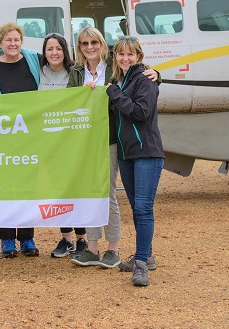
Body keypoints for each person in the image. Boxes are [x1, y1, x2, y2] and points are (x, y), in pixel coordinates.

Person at [69, 27, 158, 269]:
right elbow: (68, 102)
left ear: (102, 45)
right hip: (85, 141)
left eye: (94, 42)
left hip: (110, 138)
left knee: (109, 193)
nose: (90, 47)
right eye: (84, 43)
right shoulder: (76, 72)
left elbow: (139, 77)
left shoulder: (114, 70)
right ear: (79, 47)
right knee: (90, 193)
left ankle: (114, 249)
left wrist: (157, 73)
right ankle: (92, 248)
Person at [0, 22, 41, 258]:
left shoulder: (34, 60)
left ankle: (27, 238)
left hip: (30, 137)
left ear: (21, 41)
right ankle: (7, 239)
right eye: (8, 40)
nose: (13, 44)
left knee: (27, 187)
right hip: (1, 138)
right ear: (0, 42)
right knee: (4, 188)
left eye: (16, 40)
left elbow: (63, 68)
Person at [107, 35, 163, 286]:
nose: (125, 58)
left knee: (143, 208)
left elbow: (141, 112)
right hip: (127, 154)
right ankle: (146, 255)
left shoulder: (145, 79)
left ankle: (141, 263)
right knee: (137, 208)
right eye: (121, 54)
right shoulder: (121, 80)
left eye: (130, 54)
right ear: (116, 57)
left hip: (146, 152)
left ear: (138, 56)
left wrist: (114, 94)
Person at [37, 33, 88, 258]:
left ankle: (83, 240)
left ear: (65, 51)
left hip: (72, 141)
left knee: (76, 188)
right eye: (50, 49)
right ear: (44, 52)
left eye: (58, 48)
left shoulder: (75, 72)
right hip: (47, 142)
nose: (54, 53)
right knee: (57, 191)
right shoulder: (38, 72)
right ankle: (66, 239)